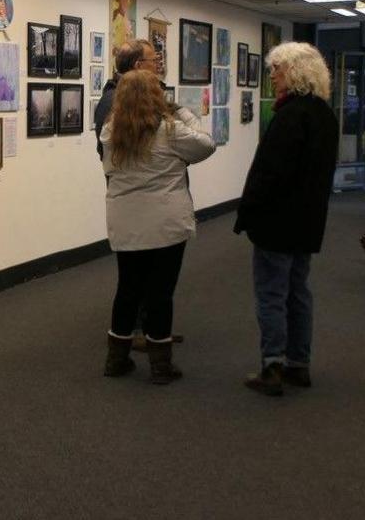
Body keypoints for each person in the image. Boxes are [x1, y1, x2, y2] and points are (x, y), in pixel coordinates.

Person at [234, 42, 339, 397]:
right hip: (307, 220)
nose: (272, 77)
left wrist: (248, 212)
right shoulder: (324, 115)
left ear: (294, 72)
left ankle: (272, 366)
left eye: (276, 70)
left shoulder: (290, 115)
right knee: (298, 292)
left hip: (278, 221)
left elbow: (269, 174)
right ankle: (299, 364)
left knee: (271, 293)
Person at [99, 70, 215, 384]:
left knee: (128, 289)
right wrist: (184, 112)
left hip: (127, 220)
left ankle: (116, 359)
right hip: (166, 223)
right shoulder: (171, 130)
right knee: (160, 293)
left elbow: (109, 167)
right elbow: (206, 144)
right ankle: (161, 367)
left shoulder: (111, 133)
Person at [93, 39, 161, 159]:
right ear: (138, 65)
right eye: (154, 61)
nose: (157, 67)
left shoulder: (120, 96)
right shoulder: (117, 101)